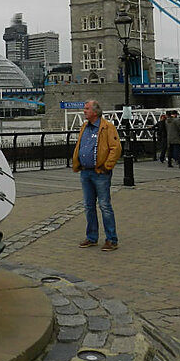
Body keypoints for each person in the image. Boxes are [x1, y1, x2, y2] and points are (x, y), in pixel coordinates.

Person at [71, 100, 121, 251]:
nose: (84, 111)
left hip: (100, 173)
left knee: (104, 206)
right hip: (85, 171)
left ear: (95, 112)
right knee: (88, 206)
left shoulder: (107, 127)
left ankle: (111, 239)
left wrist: (107, 166)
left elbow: (116, 148)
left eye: (87, 109)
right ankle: (92, 237)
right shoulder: (84, 127)